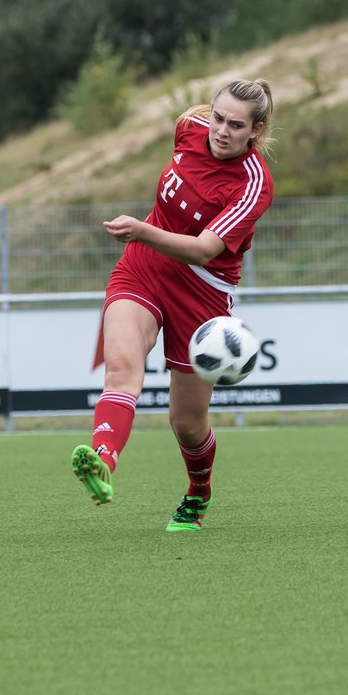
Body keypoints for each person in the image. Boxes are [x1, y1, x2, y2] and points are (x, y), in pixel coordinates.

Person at [70, 78, 276, 532]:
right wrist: (144, 239)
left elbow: (204, 250)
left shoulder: (253, 184)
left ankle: (198, 491)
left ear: (255, 131)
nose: (221, 130)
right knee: (122, 367)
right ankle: (104, 460)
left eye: (235, 125)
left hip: (201, 291)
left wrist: (142, 229)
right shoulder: (190, 126)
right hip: (143, 268)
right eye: (219, 118)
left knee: (186, 422)